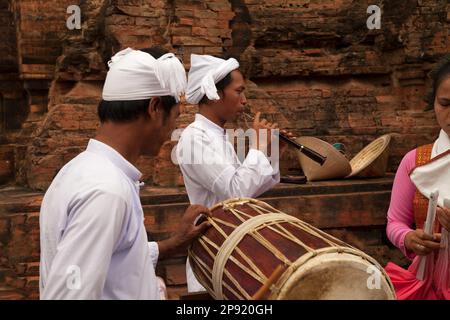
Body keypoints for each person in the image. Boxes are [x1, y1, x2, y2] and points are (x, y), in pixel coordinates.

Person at [39, 47, 211, 299]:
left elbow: (116, 257)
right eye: (175, 117)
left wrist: (172, 244)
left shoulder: (81, 169)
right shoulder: (106, 192)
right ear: (154, 107)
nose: (174, 130)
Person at [176, 54, 294, 292]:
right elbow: (236, 191)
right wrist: (258, 147)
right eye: (238, 91)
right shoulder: (193, 138)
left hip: (232, 247)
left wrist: (271, 153)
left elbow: (248, 192)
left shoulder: (219, 135)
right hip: (213, 250)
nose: (244, 100)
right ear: (215, 94)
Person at [386, 55, 450, 299]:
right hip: (425, 286)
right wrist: (409, 238)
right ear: (433, 103)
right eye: (445, 104)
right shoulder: (415, 162)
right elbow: (394, 223)